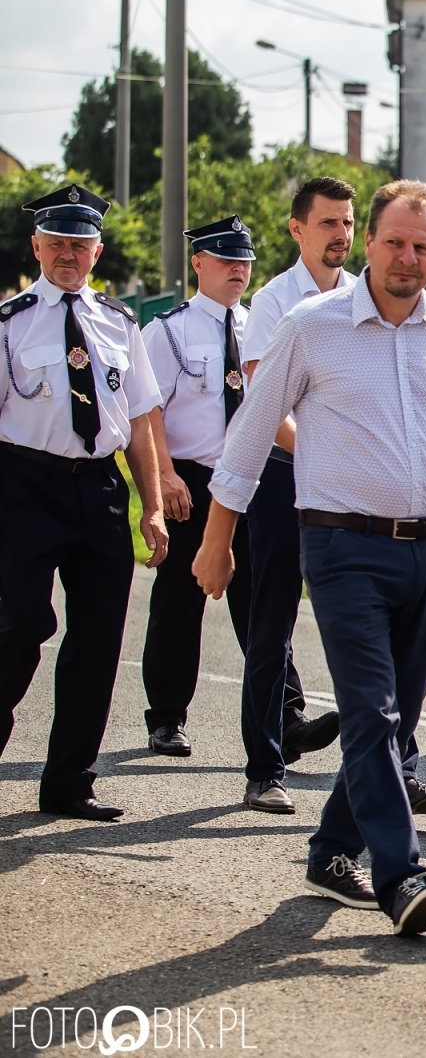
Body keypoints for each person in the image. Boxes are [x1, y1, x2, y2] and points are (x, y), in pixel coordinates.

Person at [193, 179, 426, 935]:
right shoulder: (313, 326)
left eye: (423, 246)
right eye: (395, 242)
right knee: (371, 710)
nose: (408, 258)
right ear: (367, 243)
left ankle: (331, 849)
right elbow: (248, 435)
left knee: (390, 726)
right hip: (340, 546)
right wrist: (216, 540)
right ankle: (401, 875)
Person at [0, 184, 168, 821]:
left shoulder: (120, 324)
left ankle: (69, 782)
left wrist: (151, 505)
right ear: (37, 246)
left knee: (98, 641)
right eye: (58, 243)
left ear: (97, 251)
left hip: (99, 488)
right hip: (22, 486)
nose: (69, 253)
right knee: (22, 621)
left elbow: (144, 419)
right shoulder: (11, 322)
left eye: (81, 244)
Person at [234, 178, 351, 798]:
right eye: (328, 223)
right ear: (297, 229)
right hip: (286, 477)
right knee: (272, 621)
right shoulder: (274, 303)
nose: (340, 235)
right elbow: (262, 399)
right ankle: (265, 768)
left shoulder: (367, 298)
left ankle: (396, 765)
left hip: (353, 484)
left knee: (369, 624)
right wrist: (324, 450)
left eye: (347, 224)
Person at [139, 216, 265, 774]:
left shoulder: (264, 328)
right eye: (225, 259)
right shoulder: (166, 331)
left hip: (254, 477)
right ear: (198, 263)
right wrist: (164, 476)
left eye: (244, 261)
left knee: (264, 599)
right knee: (178, 601)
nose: (237, 269)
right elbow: (149, 409)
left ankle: (284, 712)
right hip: (193, 477)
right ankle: (167, 714)